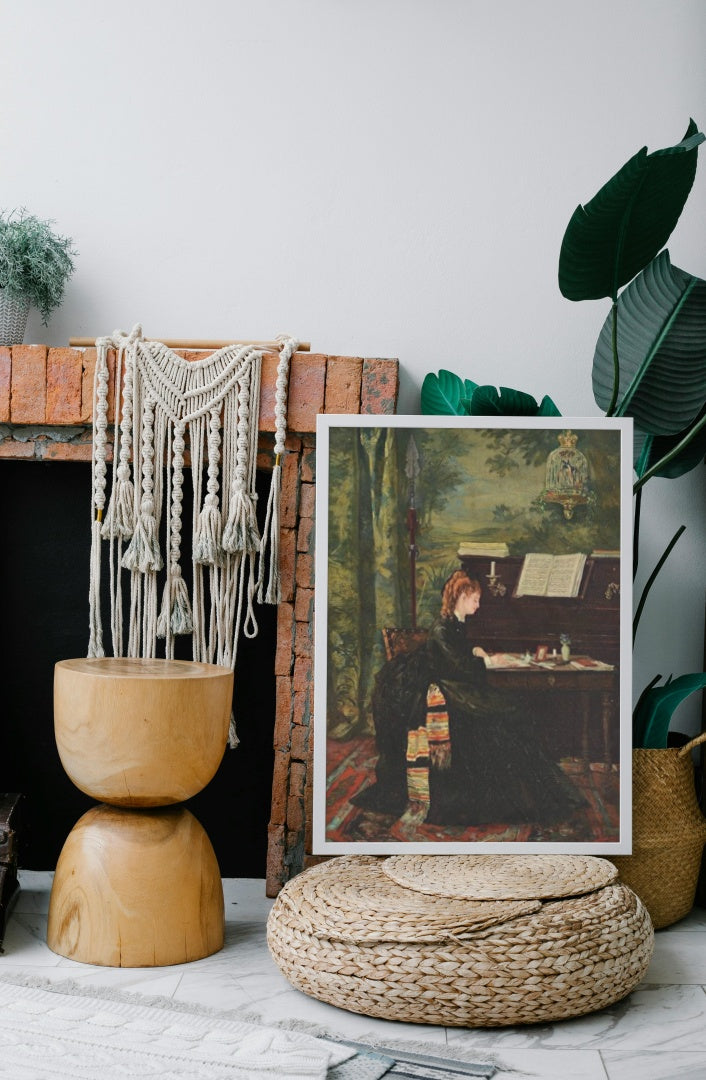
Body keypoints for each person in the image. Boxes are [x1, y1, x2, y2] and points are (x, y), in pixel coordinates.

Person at [352, 570, 585, 827]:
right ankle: (518, 798)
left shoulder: (456, 623)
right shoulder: (442, 628)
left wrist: (475, 650)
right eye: (474, 599)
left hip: (457, 685)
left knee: (513, 709)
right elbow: (458, 666)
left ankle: (538, 793)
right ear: (461, 596)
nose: (478, 604)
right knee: (505, 712)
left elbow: (459, 652)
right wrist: (487, 660)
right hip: (448, 689)